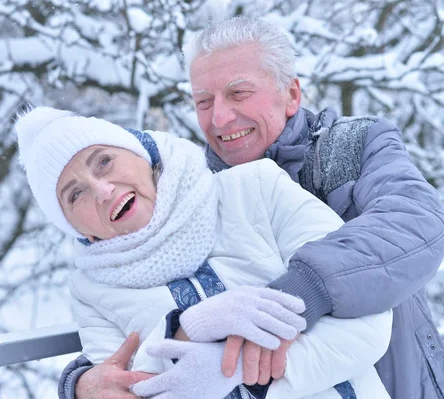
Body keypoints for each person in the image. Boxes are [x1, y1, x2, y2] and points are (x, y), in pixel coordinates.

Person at [58, 16, 444, 399]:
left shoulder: (354, 145)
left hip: (401, 381)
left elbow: (416, 222)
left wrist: (303, 289)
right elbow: (149, 299)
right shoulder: (193, 196)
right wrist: (82, 382)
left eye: (238, 93)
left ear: (292, 94)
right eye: (204, 102)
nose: (220, 118)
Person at [15, 105, 393, 398]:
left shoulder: (257, 188)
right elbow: (127, 387)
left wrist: (234, 374)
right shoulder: (91, 291)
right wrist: (186, 332)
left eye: (104, 161)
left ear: (142, 154)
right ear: (78, 229)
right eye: (75, 194)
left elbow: (366, 317)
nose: (102, 189)